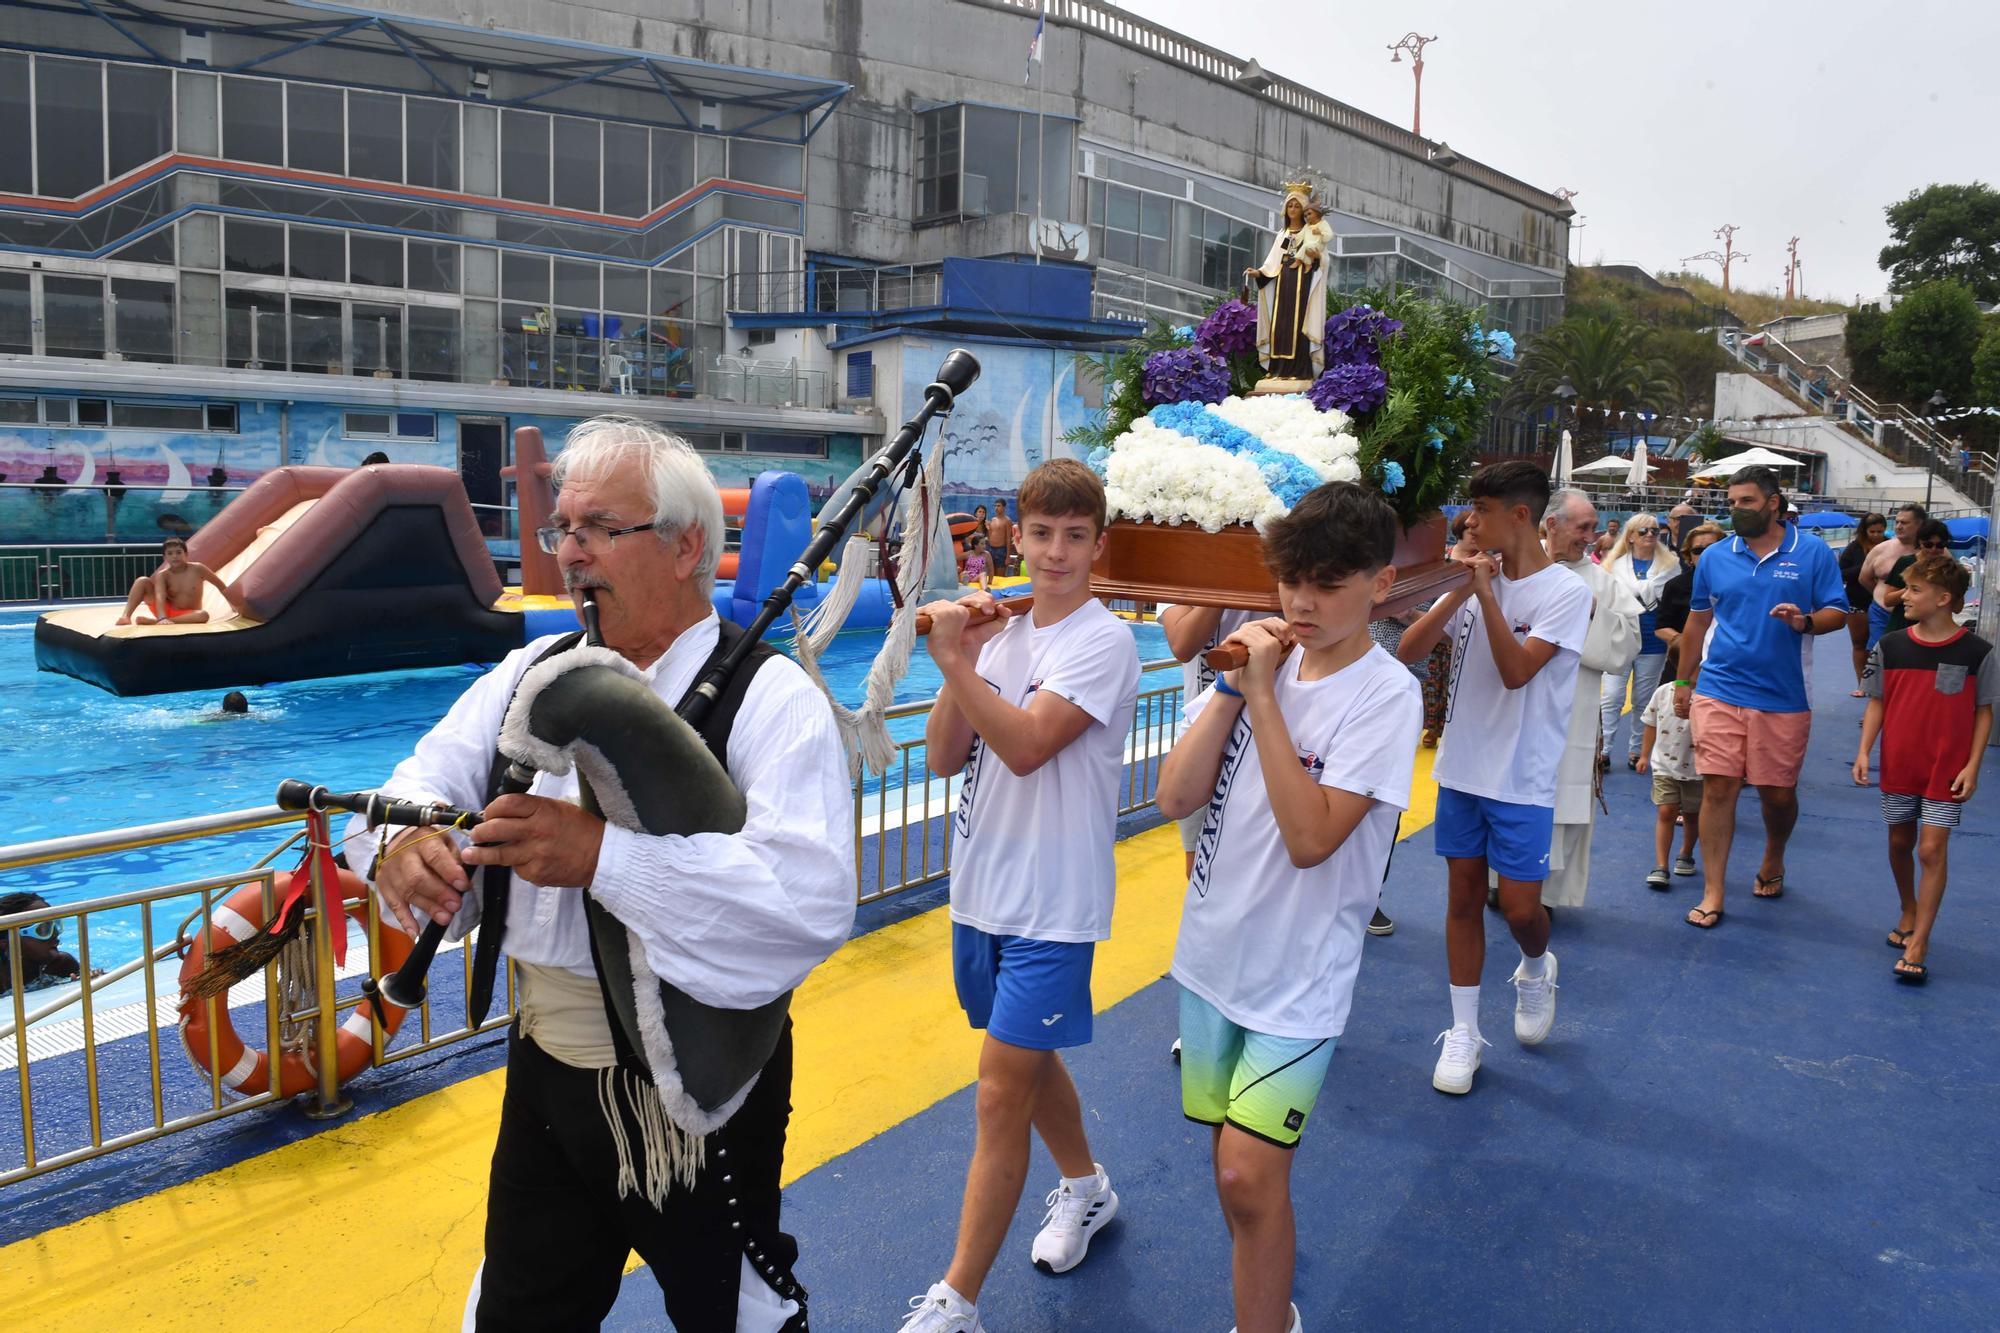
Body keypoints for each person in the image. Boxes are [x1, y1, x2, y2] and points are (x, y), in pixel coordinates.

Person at [356, 418, 852, 1331]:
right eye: (561, 530)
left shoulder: (771, 698)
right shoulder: (531, 669)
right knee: (521, 1312)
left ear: (684, 545)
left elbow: (804, 903)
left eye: (597, 529)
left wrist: (601, 857)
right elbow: (416, 783)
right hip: (544, 1066)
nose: (569, 554)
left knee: (737, 1315)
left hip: (695, 1094)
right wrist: (399, 848)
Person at [1154, 482, 1420, 1333]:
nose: (1303, 603)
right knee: (1232, 1170)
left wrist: (1263, 695)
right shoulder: (1254, 666)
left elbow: (1312, 838)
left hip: (1300, 981)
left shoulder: (1385, 694)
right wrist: (1237, 688)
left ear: (1379, 585)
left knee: (1247, 1176)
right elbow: (1173, 795)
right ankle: (1266, 1304)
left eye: (1329, 584)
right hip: (1212, 958)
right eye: (1291, 580)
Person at [903, 458, 1140, 1333]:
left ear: (1097, 545)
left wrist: (952, 659)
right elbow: (940, 755)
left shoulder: (1103, 642)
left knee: (999, 1091)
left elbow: (1030, 745)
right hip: (981, 895)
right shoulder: (996, 636)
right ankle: (1087, 1187)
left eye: (1075, 537)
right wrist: (961, 655)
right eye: (1040, 533)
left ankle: (956, 1298)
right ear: (1016, 535)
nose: (1055, 552)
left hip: (1053, 902)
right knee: (1027, 1068)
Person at [1396, 461, 1592, 1095]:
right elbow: (1410, 652)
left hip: (1524, 777)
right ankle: (1463, 1031)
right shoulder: (1473, 578)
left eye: (1481, 509)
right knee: (1460, 899)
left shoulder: (1566, 592)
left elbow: (1516, 672)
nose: (1470, 522)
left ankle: (1536, 966)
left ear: (1520, 516)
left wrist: (1483, 592)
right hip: (1462, 768)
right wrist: (1460, 586)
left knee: (1520, 909)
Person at [1673, 466, 1849, 928]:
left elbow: (1838, 612)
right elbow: (1696, 623)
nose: (1735, 510)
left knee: (1776, 794)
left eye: (1745, 502)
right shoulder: (1713, 557)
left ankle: (1774, 854)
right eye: (1731, 503)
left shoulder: (1811, 552)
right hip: (1719, 687)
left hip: (1784, 694)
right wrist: (1683, 682)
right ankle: (1714, 890)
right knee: (1719, 787)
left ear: (1773, 502)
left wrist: (1805, 622)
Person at [1853, 554, 1996, 983]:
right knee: (1900, 841)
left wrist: (1972, 765)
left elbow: (1983, 711)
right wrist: (1865, 751)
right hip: (1899, 763)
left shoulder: (1977, 652)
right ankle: (1908, 908)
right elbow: (1878, 700)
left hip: (1945, 770)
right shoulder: (1891, 646)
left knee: (1931, 849)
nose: (1904, 597)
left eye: (1915, 590)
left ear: (1945, 599)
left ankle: (1920, 941)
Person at [1529, 488, 1639, 916]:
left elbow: (1627, 646)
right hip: (1514, 706)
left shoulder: (1601, 583)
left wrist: (1594, 611)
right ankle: (1499, 881)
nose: (1593, 537)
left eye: (1595, 527)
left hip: (1572, 710)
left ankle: (1546, 894)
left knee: (1562, 799)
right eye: (1584, 527)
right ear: (1550, 524)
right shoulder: (1515, 567)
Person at [1161, 602, 1262, 879]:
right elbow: (1183, 645)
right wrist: (1223, 589)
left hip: (1263, 736)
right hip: (1201, 737)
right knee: (1199, 868)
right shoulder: (1185, 577)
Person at [1600, 513, 1679, 768]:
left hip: (1653, 643)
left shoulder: (1671, 566)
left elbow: (1674, 605)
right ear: (1631, 536)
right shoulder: (1613, 566)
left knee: (1643, 701)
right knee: (1611, 698)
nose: (1650, 536)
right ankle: (1604, 750)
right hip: (1619, 640)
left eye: (1655, 531)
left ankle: (1636, 751)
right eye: (1644, 531)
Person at [1638, 639, 1703, 887]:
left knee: (1692, 815)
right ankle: (1661, 865)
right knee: (1666, 811)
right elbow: (1651, 724)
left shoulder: (1708, 697)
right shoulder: (1663, 692)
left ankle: (1686, 854)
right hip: (1664, 765)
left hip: (1697, 769)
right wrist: (1645, 755)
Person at [115, 536, 245, 626]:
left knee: (203, 615)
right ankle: (126, 616)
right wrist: (162, 617)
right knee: (142, 581)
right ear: (165, 557)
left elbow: (221, 585)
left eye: (178, 552)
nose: (175, 556)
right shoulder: (163, 575)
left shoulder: (198, 569)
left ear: (186, 554)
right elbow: (160, 596)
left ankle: (155, 622)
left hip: (189, 614)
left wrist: (235, 605)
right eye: (170, 554)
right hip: (165, 610)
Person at [0, 894, 101, 995]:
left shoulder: (62, 964)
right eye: (43, 929)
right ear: (6, 943)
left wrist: (92, 980)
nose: (55, 933)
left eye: (56, 924)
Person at [1858, 503, 1924, 650]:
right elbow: (1864, 578)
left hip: (1918, 616)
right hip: (1882, 613)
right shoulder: (1881, 549)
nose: (1898, 526)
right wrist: (1882, 596)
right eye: (1897, 522)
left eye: (1905, 523)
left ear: (1920, 525)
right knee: (1878, 656)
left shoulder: (1934, 549)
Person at [1839, 513, 1889, 696]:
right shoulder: (1854, 548)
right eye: (1872, 531)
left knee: (1882, 646)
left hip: (1884, 603)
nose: (1876, 535)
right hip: (1857, 601)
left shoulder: (1891, 546)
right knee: (1860, 643)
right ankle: (1862, 684)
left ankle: (1882, 685)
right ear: (1864, 531)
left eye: (1880, 531)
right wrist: (1866, 567)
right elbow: (1841, 573)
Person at [1879, 520, 1954, 638]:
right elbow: (1888, 600)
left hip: (1933, 630)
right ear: (1920, 542)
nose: (1934, 549)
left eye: (1940, 545)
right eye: (1928, 545)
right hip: (1903, 627)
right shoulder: (1906, 562)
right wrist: (1913, 589)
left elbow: (1958, 608)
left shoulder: (1948, 568)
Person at [986, 500, 1015, 578]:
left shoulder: (1007, 521)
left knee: (1000, 577)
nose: (996, 508)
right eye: (995, 506)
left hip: (1001, 551)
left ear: (1004, 507)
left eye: (998, 506)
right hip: (991, 549)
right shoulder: (992, 520)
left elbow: (1009, 539)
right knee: (991, 575)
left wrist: (1008, 556)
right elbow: (989, 536)